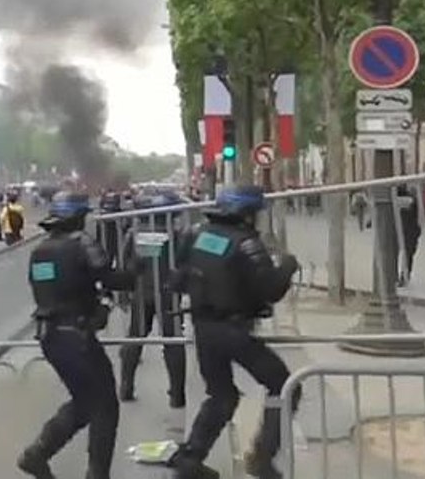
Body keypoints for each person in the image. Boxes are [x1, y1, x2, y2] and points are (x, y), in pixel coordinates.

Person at [168, 185, 301, 479]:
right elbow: (271, 289)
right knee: (285, 385)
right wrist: (288, 267)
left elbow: (177, 279)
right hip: (232, 329)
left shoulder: (195, 234)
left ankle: (190, 459)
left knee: (221, 394)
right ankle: (262, 459)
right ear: (246, 213)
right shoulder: (247, 243)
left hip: (202, 326)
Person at [17, 191, 139, 479]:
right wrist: (137, 270)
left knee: (85, 402)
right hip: (76, 336)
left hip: (50, 337)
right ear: (77, 217)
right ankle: (97, 474)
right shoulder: (82, 243)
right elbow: (109, 278)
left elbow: (51, 289)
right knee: (105, 405)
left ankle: (37, 454)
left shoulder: (40, 251)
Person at [118, 195, 187, 408]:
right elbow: (184, 263)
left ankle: (126, 387)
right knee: (173, 342)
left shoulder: (135, 233)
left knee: (134, 339)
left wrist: (124, 292)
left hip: (141, 293)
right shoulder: (176, 235)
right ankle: (177, 395)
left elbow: (124, 263)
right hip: (168, 294)